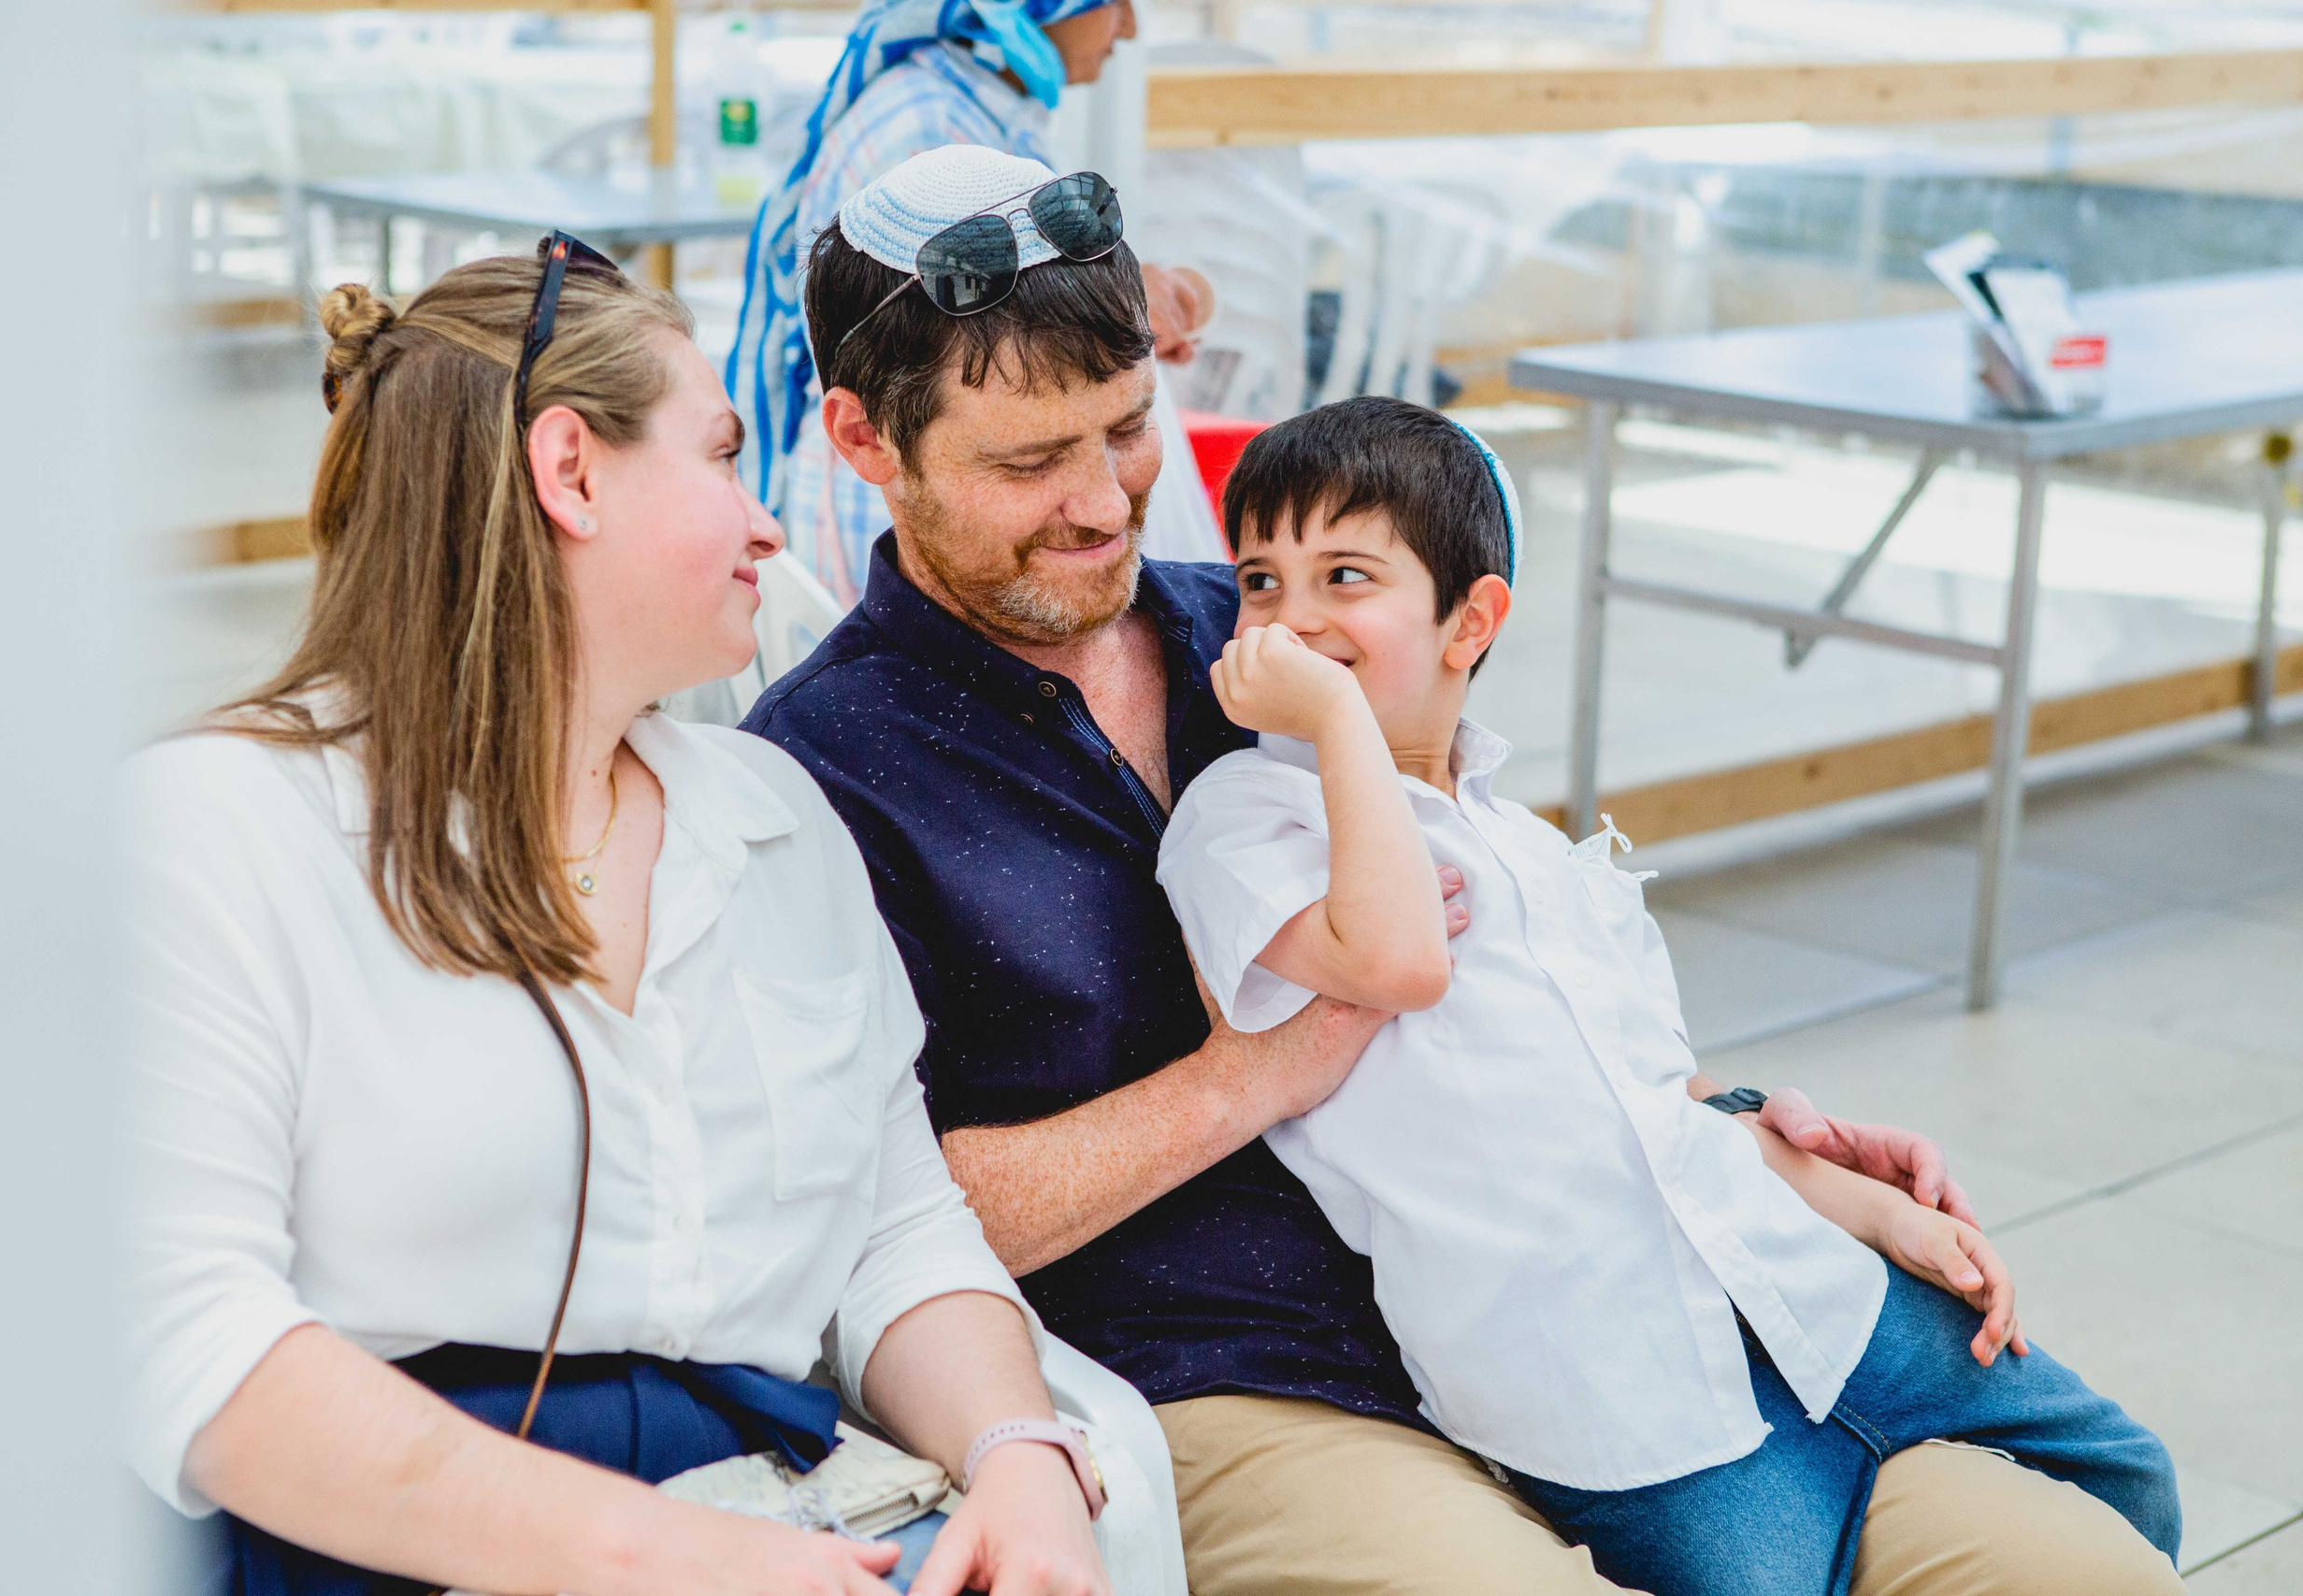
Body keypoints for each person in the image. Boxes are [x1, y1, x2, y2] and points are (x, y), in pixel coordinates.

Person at [741, 144, 2099, 1596]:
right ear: (864, 439)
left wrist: (1736, 1122)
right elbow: (868, 1211)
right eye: (1028, 461)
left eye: (1129, 429)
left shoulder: (1274, 620)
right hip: (1237, 1372)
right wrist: (1259, 1069)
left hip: (1571, 1301)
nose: (1102, 501)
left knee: (2073, 1555)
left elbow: (1519, 952)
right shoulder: (820, 772)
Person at [122, 236, 1126, 1596]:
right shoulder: (221, 830)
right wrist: (673, 1556)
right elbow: (194, 1341)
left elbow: (898, 1230)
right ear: (571, 472)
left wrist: (1019, 1452)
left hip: (780, 1509)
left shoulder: (776, 819)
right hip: (391, 1547)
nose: (768, 520)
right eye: (720, 457)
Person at [1153, 395, 2184, 1596]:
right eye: (1262, 583)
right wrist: (1334, 716)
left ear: (1468, 622)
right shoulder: (1246, 817)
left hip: (1801, 1293)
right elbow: (1396, 960)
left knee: (2126, 1475)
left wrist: (1877, 1213)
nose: (1293, 619)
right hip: (1607, 1397)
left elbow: (1662, 1108)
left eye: (1343, 575)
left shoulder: (1532, 848)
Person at [726, 0, 1222, 609]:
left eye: (1128, 427)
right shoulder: (927, 135)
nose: (1129, 27)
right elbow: (962, 360)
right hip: (889, 526)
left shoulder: (987, 104)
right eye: (1110, 1)